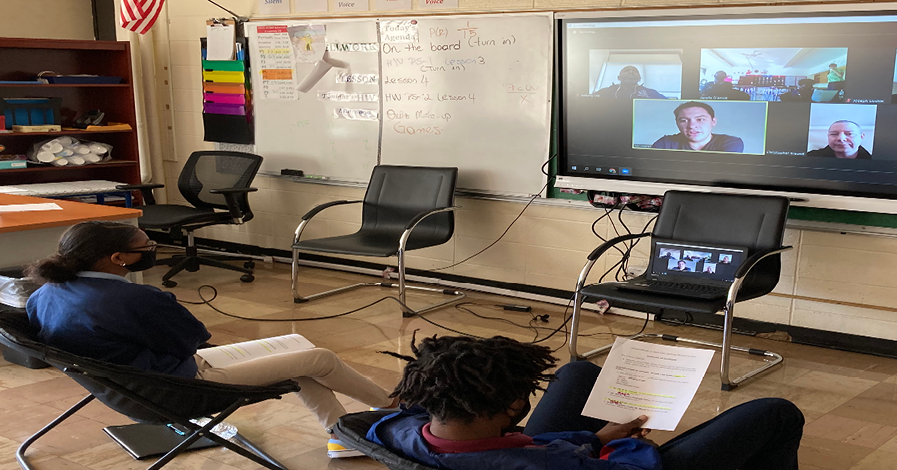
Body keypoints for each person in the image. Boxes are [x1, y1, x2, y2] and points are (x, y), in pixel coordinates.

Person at [25, 221, 396, 459]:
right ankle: (395, 406)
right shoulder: (134, 299)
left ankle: (343, 435)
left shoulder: (44, 293)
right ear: (118, 258)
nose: (152, 249)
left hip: (133, 385)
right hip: (180, 386)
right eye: (146, 246)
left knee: (299, 349)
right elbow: (192, 341)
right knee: (320, 359)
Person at [370, 335, 804, 470]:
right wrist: (626, 444)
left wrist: (594, 437)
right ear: (509, 407)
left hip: (500, 453)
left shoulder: (394, 429)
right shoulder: (548, 464)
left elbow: (520, 446)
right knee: (776, 414)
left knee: (577, 373)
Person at [651, 101, 744, 153]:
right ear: (677, 123)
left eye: (700, 119)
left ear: (713, 121)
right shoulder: (665, 143)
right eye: (684, 120)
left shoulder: (731, 143)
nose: (691, 126)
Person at [807, 120, 872, 159]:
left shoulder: (873, 160)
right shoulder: (810, 157)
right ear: (828, 136)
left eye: (849, 134)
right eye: (834, 134)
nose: (841, 138)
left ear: (861, 137)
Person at [594, 65, 666, 100]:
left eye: (635, 71)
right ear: (618, 78)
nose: (631, 72)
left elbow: (668, 104)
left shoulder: (650, 93)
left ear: (639, 78)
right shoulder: (605, 91)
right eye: (626, 71)